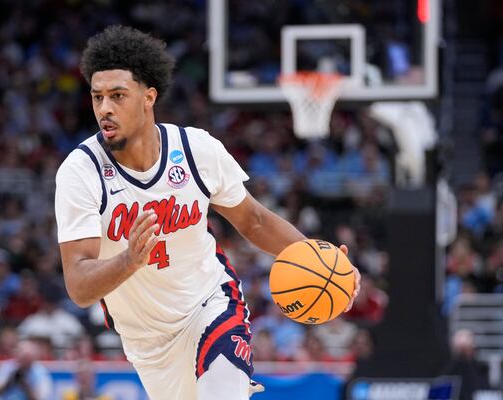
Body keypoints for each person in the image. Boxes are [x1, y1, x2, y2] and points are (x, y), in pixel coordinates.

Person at [55, 25, 361, 400]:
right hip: (147, 341)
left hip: (211, 305)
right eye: (97, 96)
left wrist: (316, 258)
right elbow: (79, 286)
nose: (105, 108)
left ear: (148, 97)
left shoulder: (196, 149)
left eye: (118, 96)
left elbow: (254, 219)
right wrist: (129, 260)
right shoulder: (80, 171)